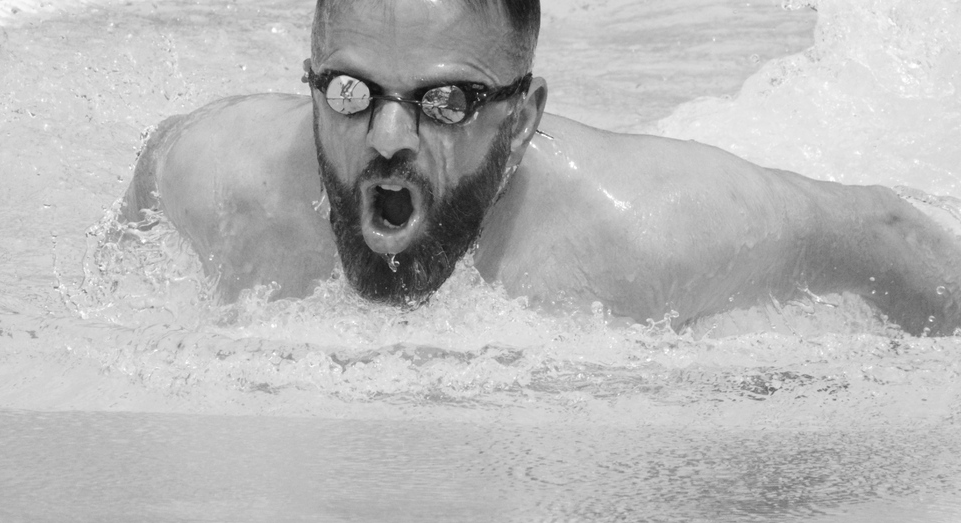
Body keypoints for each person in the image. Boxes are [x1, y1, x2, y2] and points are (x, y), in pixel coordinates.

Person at [120, 0, 961, 335]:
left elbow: (884, 230)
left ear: (521, 121)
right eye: (350, 91)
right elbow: (154, 161)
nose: (386, 138)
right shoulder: (226, 176)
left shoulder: (645, 230)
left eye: (446, 101)